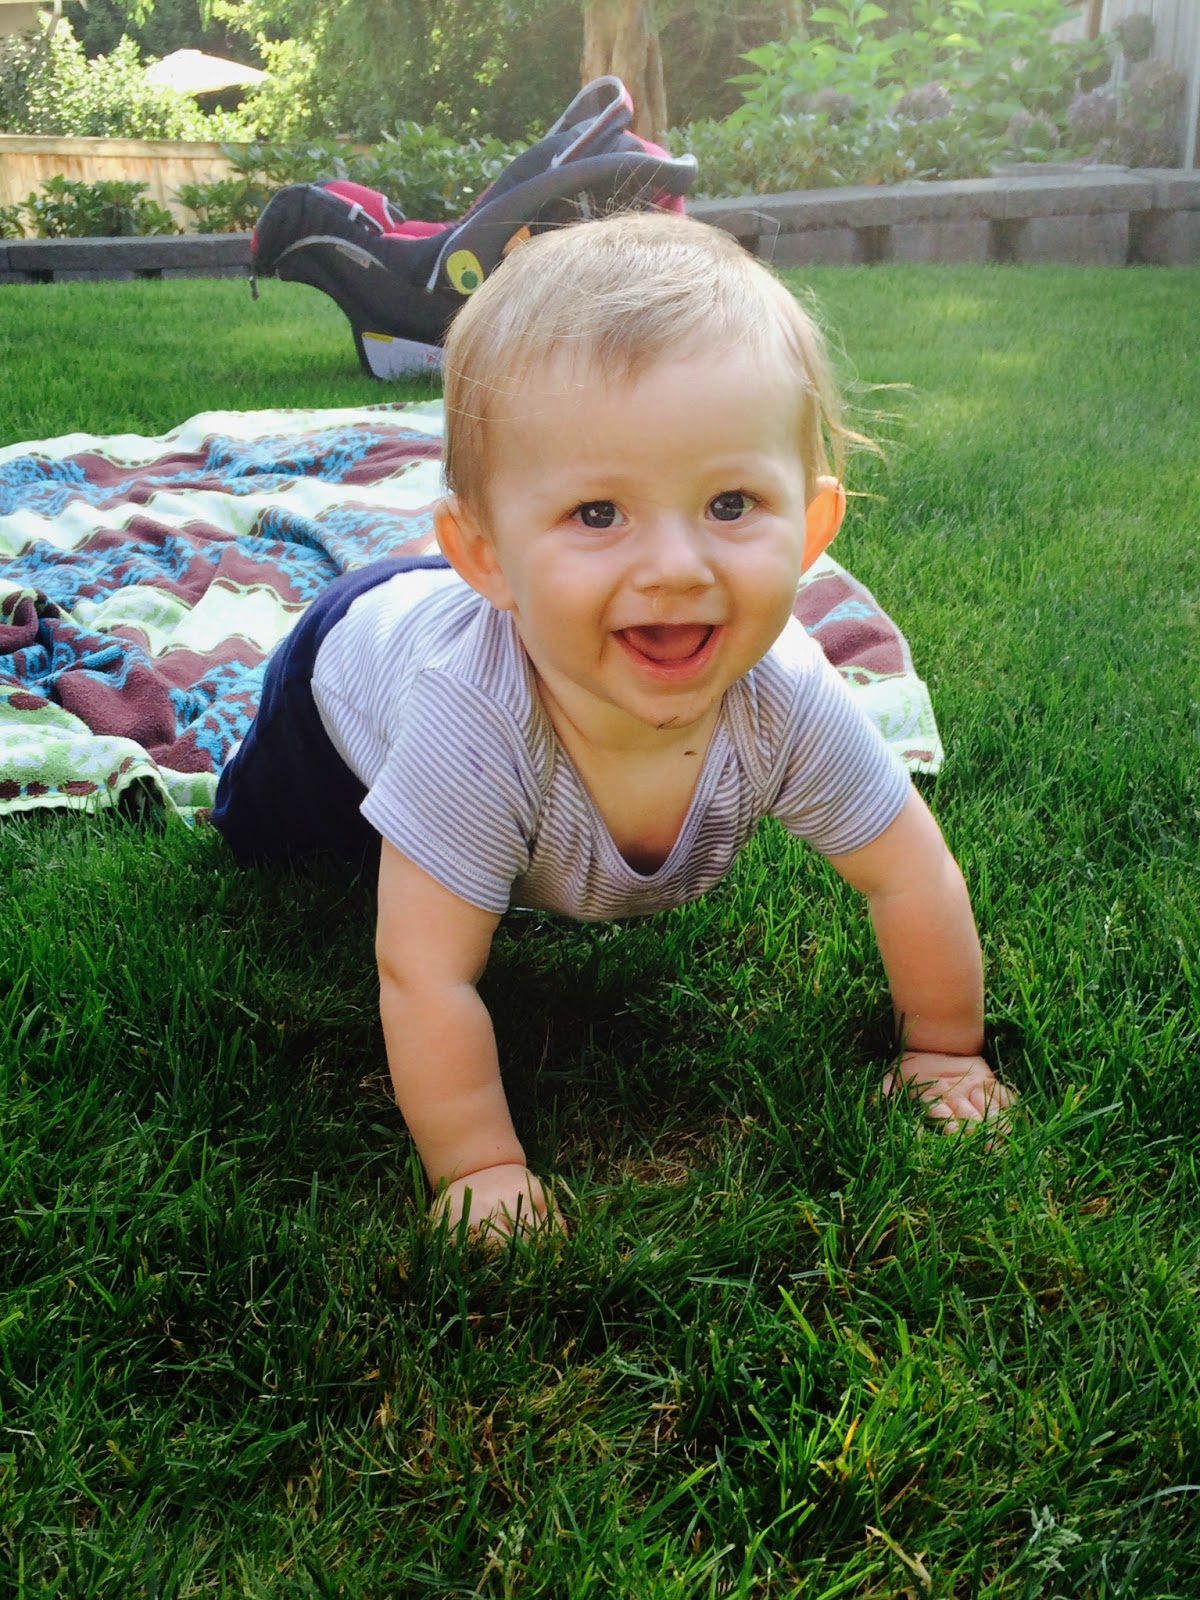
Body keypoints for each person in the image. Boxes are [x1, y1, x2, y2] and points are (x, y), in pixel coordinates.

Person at [212, 210, 1013, 1241]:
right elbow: (425, 971)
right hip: (344, 666)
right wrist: (480, 1168)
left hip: (483, 615)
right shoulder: (471, 722)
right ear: (487, 555)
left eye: (731, 503)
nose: (676, 566)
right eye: (599, 513)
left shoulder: (790, 694)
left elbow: (910, 873)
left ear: (814, 528)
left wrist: (943, 1050)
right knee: (275, 844)